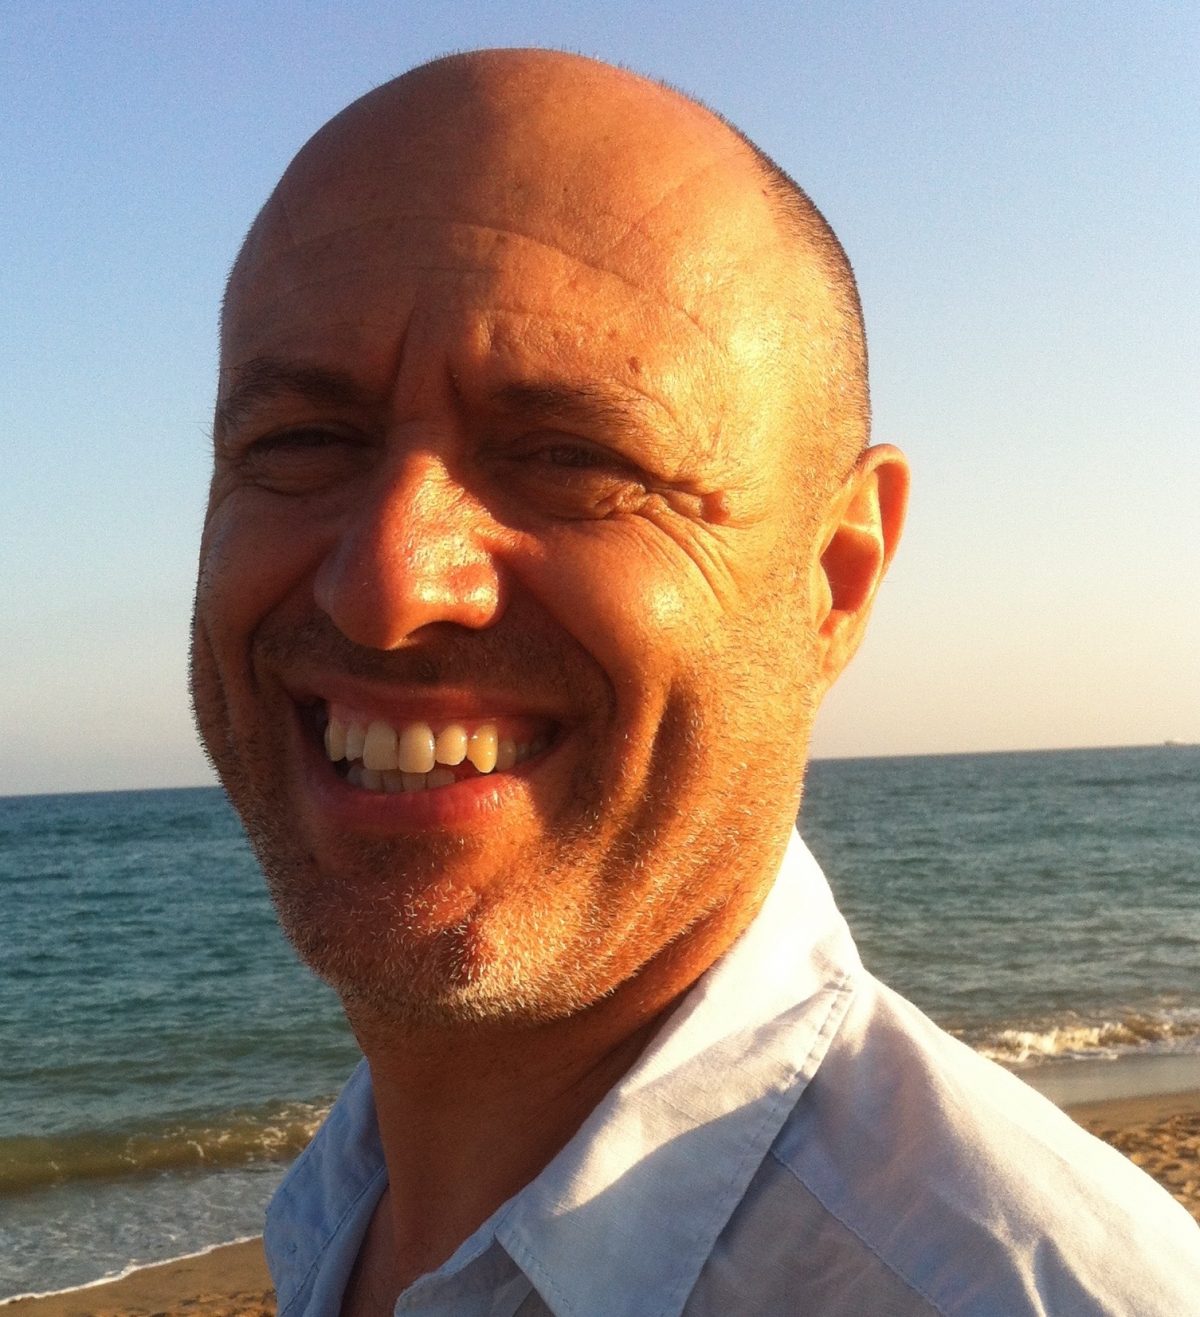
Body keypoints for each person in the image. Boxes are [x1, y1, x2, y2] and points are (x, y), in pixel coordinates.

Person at [190, 47, 1200, 1316]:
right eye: (301, 441)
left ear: (834, 578)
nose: (387, 585)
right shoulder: (340, 1208)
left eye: (571, 457)